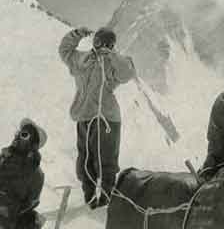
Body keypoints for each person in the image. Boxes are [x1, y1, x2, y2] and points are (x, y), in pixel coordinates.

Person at [59, 27, 136, 208]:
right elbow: (65, 51)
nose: (102, 46)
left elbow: (127, 73)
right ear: (94, 42)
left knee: (105, 160)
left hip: (106, 118)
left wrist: (111, 54)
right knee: (85, 160)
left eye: (108, 43)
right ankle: (90, 197)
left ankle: (107, 199)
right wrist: (77, 34)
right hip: (84, 116)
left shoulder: (113, 63)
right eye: (100, 41)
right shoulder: (82, 60)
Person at [0, 118, 47, 229]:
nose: (17, 137)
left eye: (24, 134)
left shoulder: (36, 174)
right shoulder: (4, 160)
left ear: (33, 143)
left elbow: (29, 204)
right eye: (19, 133)